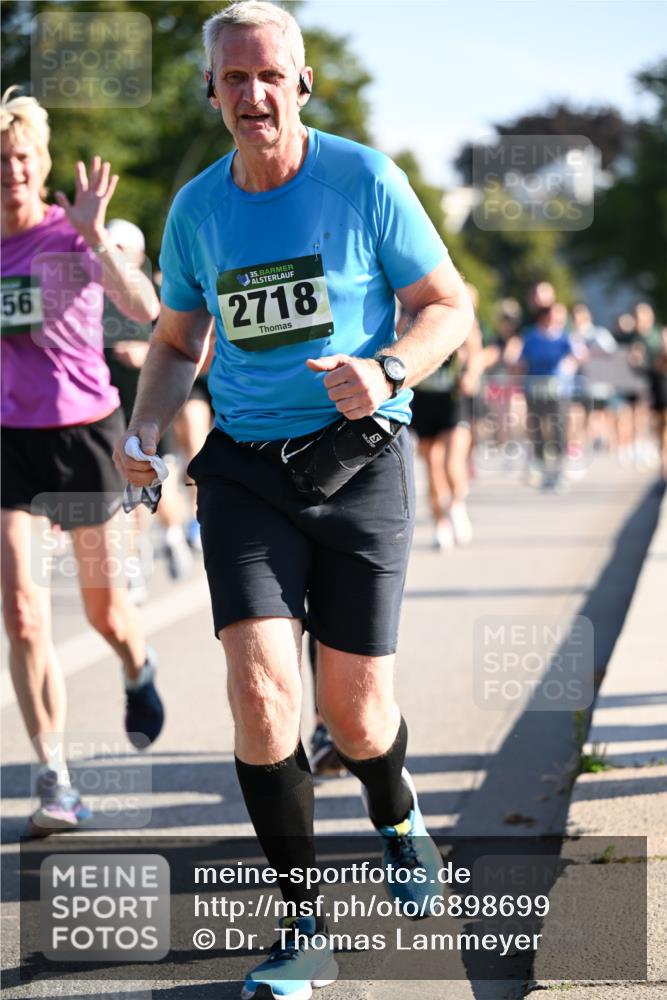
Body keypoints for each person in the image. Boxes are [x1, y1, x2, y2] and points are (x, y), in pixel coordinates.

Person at [114, 3, 473, 996]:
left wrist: (389, 364)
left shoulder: (361, 179)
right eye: (234, 77)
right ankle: (303, 923)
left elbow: (449, 302)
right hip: (245, 470)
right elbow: (180, 342)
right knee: (263, 690)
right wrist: (144, 431)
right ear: (212, 90)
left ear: (301, 82)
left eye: (270, 74)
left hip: (359, 460)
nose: (253, 93)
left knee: (356, 717)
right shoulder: (197, 209)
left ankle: (394, 807)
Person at [1, 88, 165, 835]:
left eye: (21, 158)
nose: (10, 171)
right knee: (26, 615)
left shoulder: (72, 237)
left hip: (85, 434)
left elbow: (146, 309)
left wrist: (98, 238)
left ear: (39, 164)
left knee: (104, 612)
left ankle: (138, 666)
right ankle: (55, 780)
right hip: (8, 439)